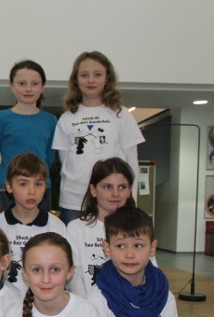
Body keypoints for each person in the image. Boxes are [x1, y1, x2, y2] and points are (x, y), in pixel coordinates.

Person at [52, 51, 145, 224]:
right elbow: (66, 161)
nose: (91, 80)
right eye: (84, 75)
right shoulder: (67, 118)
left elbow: (131, 161)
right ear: (76, 79)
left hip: (113, 200)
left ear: (107, 78)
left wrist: (131, 199)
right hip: (74, 201)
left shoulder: (121, 114)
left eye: (97, 74)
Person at [0, 60, 57, 213]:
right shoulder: (0, 118)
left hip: (41, 190)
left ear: (42, 87)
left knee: (41, 229)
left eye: (35, 83)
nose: (28, 89)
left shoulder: (51, 121)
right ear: (12, 86)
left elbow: (48, 159)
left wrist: (36, 178)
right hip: (7, 190)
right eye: (22, 83)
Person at [0, 153, 66, 294]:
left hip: (43, 299)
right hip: (3, 301)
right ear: (9, 186)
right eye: (23, 184)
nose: (32, 191)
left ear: (45, 187)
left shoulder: (56, 226)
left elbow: (62, 268)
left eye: (38, 184)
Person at [66, 158, 135, 297]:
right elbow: (74, 277)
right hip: (87, 305)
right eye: (107, 187)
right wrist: (86, 307)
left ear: (129, 191)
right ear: (93, 190)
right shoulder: (76, 229)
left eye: (122, 187)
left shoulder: (137, 228)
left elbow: (149, 272)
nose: (115, 194)